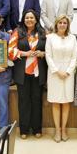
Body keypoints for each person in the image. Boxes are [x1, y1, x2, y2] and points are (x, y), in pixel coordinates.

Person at [8, 9, 47, 139]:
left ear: (36, 19)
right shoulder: (17, 32)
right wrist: (24, 53)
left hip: (38, 73)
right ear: (23, 19)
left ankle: (37, 128)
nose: (29, 20)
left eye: (31, 18)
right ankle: (24, 130)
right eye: (26, 18)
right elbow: (10, 50)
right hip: (22, 73)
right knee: (23, 101)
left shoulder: (43, 33)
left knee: (36, 100)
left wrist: (43, 54)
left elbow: (50, 51)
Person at [45, 15, 77, 142]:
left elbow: (74, 57)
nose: (62, 25)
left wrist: (68, 71)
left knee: (65, 102)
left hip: (68, 74)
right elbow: (48, 56)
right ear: (56, 24)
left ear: (67, 25)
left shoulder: (73, 38)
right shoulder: (50, 38)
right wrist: (57, 71)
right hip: (54, 73)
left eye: (65, 23)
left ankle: (64, 130)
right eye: (60, 22)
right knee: (56, 102)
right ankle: (57, 130)